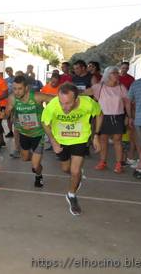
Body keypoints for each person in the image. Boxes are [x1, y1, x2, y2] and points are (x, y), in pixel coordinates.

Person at [41, 83, 103, 216]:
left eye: (68, 103)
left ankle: (72, 195)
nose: (64, 107)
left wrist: (96, 135)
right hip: (61, 141)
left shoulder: (88, 103)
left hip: (79, 139)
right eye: (61, 102)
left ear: (76, 99)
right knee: (65, 169)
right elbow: (45, 123)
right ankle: (77, 175)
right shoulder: (53, 105)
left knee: (74, 172)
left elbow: (99, 114)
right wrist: (53, 140)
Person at [5, 76, 54, 187]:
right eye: (14, 88)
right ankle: (35, 158)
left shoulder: (36, 96)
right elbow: (7, 112)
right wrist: (3, 114)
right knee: (25, 158)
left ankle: (38, 175)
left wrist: (51, 113)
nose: (17, 92)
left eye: (20, 88)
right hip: (24, 134)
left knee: (35, 166)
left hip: (38, 134)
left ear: (26, 88)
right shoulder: (12, 98)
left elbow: (56, 100)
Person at [89, 66, 131, 173]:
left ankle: (118, 164)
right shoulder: (99, 87)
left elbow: (127, 103)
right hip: (104, 117)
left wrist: (129, 116)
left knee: (117, 141)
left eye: (117, 73)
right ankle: (102, 162)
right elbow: (84, 92)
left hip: (118, 116)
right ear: (107, 74)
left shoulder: (121, 87)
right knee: (103, 140)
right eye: (114, 73)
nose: (117, 74)